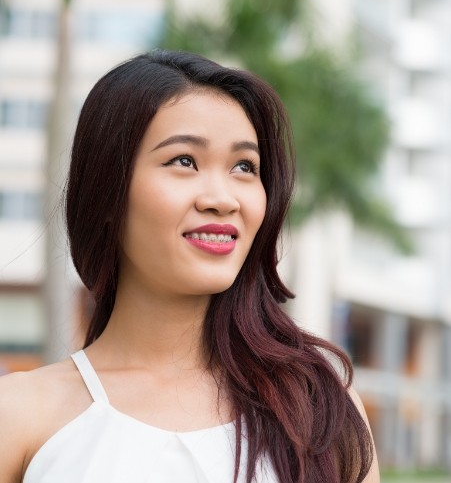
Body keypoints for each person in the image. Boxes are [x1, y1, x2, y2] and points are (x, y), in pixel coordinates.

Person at [0, 50, 379, 482]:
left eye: (244, 166)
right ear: (108, 190)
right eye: (184, 161)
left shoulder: (317, 406)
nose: (222, 198)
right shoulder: (20, 416)